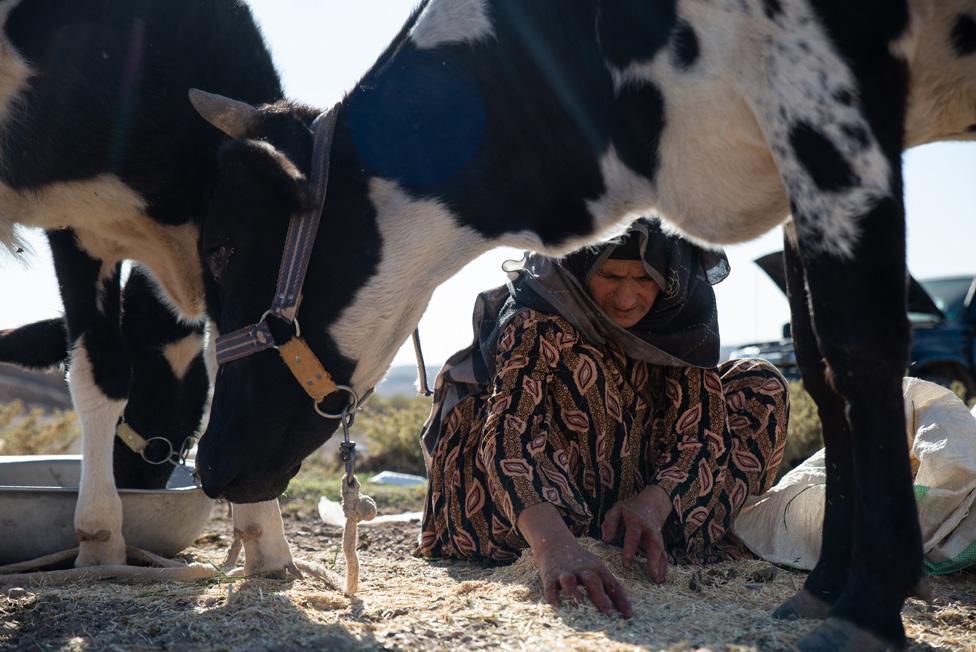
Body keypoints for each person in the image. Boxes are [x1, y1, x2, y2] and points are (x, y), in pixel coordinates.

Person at [415, 218, 789, 617]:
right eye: (610, 275)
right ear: (580, 268)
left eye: (644, 279)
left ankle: (653, 535)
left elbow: (700, 435)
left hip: (636, 491)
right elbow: (510, 438)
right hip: (525, 505)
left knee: (759, 383)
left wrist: (652, 503)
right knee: (586, 370)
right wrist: (552, 547)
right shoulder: (538, 318)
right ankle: (572, 539)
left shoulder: (679, 317)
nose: (626, 298)